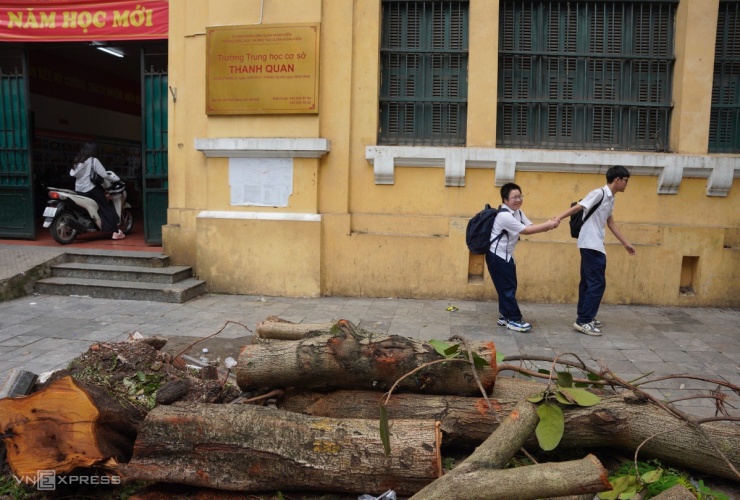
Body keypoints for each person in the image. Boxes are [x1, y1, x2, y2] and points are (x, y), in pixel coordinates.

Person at [555, 165, 636, 336]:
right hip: (591, 244)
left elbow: (610, 222)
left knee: (588, 282)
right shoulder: (599, 193)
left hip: (594, 243)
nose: (626, 185)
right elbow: (578, 207)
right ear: (617, 180)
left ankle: (584, 316)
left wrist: (625, 243)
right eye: (625, 181)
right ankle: (584, 320)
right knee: (597, 284)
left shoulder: (610, 198)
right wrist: (557, 218)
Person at [487, 183, 559, 332]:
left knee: (507, 286)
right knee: (507, 287)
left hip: (506, 256)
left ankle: (504, 316)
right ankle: (513, 319)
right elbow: (526, 230)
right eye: (514, 197)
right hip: (497, 256)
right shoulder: (504, 216)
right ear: (505, 200)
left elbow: (531, 226)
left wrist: (550, 225)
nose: (518, 200)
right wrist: (547, 224)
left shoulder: (518, 212)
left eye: (520, 196)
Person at [70, 142, 125, 240]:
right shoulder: (93, 160)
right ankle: (115, 232)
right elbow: (103, 174)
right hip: (91, 188)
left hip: (79, 189)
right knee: (106, 206)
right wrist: (114, 179)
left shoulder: (77, 161)